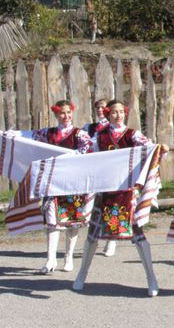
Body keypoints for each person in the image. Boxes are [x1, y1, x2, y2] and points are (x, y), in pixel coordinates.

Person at [72, 99, 160, 297]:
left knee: (139, 235)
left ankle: (151, 279)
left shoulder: (133, 134)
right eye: (114, 112)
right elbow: (85, 155)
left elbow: (150, 148)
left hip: (127, 192)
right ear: (107, 114)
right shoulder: (99, 137)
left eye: (121, 111)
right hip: (105, 193)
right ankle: (81, 274)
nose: (118, 115)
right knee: (92, 235)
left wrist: (160, 149)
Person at [13, 100, 93, 273]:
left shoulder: (80, 135)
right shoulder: (47, 134)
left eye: (68, 112)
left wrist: (67, 158)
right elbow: (26, 136)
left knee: (72, 222)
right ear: (56, 115)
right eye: (62, 113)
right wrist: (8, 135)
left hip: (73, 184)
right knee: (52, 221)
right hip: (53, 183)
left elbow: (87, 152)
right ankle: (50, 260)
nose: (66, 116)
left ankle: (68, 257)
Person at [82, 98, 116, 258]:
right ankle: (93, 237)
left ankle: (111, 240)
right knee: (92, 205)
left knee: (109, 203)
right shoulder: (89, 128)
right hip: (93, 170)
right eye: (98, 108)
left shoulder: (113, 128)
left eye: (103, 107)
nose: (100, 110)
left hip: (109, 171)